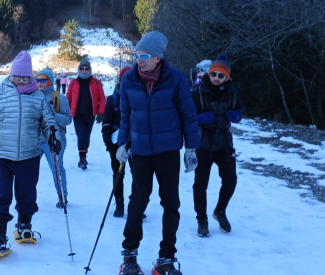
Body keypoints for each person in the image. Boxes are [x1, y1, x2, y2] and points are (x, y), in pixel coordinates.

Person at [115, 31, 199, 275]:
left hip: (168, 151)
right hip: (140, 152)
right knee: (138, 201)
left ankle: (166, 259)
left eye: (144, 55)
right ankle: (129, 256)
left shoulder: (176, 80)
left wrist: (191, 147)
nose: (138, 60)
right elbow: (125, 117)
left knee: (170, 203)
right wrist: (122, 144)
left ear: (157, 58)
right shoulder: (129, 80)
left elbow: (188, 115)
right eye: (137, 54)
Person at [0, 51, 57, 255]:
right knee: (0, 195)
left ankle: (24, 224)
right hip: (0, 156)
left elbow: (48, 122)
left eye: (25, 77)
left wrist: (52, 136)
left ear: (31, 77)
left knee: (26, 194)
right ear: (11, 75)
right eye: (17, 76)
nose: (21, 81)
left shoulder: (39, 98)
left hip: (29, 156)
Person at [190, 54, 243, 237]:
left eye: (221, 76)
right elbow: (186, 116)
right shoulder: (197, 92)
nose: (216, 79)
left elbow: (240, 110)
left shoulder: (232, 93)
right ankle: (202, 219)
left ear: (227, 77)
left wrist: (236, 115)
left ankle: (220, 210)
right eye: (214, 74)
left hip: (224, 143)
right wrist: (198, 118)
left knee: (230, 179)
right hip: (203, 143)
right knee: (200, 184)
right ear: (209, 74)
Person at [36, 68, 72, 208]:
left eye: (43, 80)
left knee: (57, 169)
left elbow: (68, 120)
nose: (39, 83)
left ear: (50, 81)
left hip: (55, 141)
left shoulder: (59, 98)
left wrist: (54, 116)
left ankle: (62, 195)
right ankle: (26, 198)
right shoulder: (33, 97)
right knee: (28, 169)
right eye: (37, 80)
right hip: (36, 141)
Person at [102, 67, 133, 218]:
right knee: (118, 174)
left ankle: (136, 204)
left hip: (135, 143)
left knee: (138, 175)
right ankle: (119, 203)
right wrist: (109, 143)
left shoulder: (139, 96)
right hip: (116, 144)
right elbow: (106, 123)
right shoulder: (112, 99)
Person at [66, 60, 106, 170]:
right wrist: (66, 112)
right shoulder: (74, 83)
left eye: (86, 69)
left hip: (90, 115)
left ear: (90, 69)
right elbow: (67, 98)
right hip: (77, 115)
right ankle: (82, 158)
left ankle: (84, 152)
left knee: (87, 137)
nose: (84, 71)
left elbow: (102, 98)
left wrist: (101, 112)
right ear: (79, 69)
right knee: (81, 136)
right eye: (82, 68)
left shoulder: (96, 83)